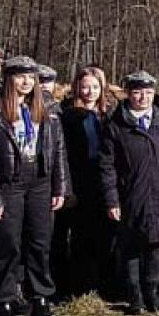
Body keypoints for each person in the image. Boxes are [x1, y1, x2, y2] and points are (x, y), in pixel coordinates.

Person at [0, 56, 70, 316]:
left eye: (31, 77)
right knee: (8, 244)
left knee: (40, 242)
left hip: (39, 181)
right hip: (9, 183)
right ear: (9, 79)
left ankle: (40, 297)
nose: (27, 82)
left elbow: (58, 150)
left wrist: (59, 186)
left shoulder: (48, 108)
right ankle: (5, 300)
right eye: (20, 77)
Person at [100, 71, 159, 316]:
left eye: (148, 92)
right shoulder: (116, 125)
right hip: (130, 193)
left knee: (155, 245)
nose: (143, 98)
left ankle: (153, 292)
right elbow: (107, 166)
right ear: (128, 94)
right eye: (138, 92)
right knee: (130, 246)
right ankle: (134, 297)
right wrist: (112, 199)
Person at [55, 65, 117, 301]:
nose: (89, 91)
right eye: (84, 87)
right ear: (76, 88)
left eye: (94, 86)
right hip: (78, 183)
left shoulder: (110, 115)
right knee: (79, 237)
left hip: (105, 183)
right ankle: (77, 286)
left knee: (105, 235)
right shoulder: (67, 115)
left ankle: (104, 284)